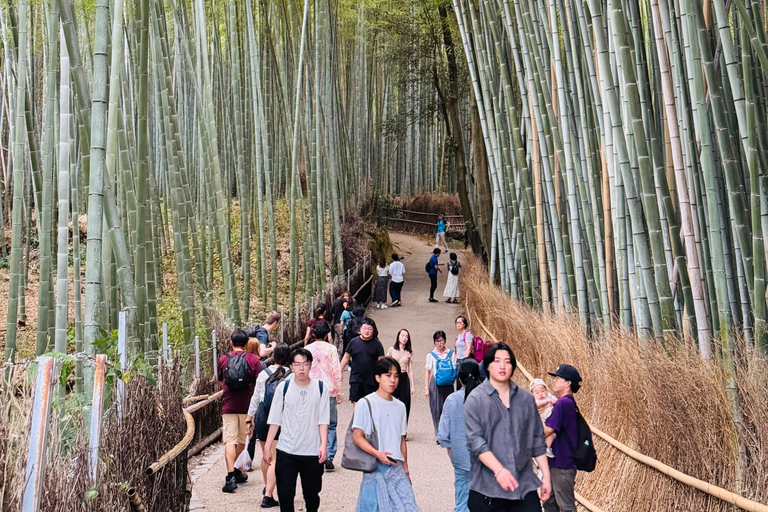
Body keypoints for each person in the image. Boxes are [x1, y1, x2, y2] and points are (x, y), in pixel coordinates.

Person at [464, 343, 552, 511]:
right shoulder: (475, 400)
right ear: (488, 365)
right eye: (497, 361)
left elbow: (536, 439)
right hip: (487, 489)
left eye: (507, 361)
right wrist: (499, 471)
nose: (502, 366)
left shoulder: (526, 398)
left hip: (524, 486)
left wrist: (546, 476)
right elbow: (476, 442)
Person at [264, 348, 330, 512]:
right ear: (291, 367)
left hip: (311, 451)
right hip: (287, 450)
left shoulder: (321, 388)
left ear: (311, 366)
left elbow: (323, 420)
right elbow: (274, 419)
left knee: (312, 495)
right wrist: (267, 446)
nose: (301, 368)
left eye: (305, 364)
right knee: (285, 496)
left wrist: (323, 444)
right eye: (297, 364)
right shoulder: (283, 388)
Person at [352, 357, 420, 511]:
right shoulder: (366, 403)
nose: (393, 380)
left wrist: (406, 470)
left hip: (396, 468)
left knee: (408, 507)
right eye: (388, 375)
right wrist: (377, 453)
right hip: (375, 468)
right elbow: (357, 436)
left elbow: (401, 439)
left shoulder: (400, 406)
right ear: (378, 378)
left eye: (396, 376)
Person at [247, 343, 292, 508]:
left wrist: (249, 418)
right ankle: (268, 495)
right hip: (280, 418)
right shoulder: (290, 375)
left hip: (262, 416)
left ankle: (268, 487)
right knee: (274, 457)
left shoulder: (263, 373)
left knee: (265, 456)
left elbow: (255, 398)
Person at [218, 329, 261, 493]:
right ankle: (236, 471)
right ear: (247, 344)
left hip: (228, 405)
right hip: (246, 406)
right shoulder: (252, 359)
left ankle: (231, 476)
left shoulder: (223, 358)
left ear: (231, 343)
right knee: (242, 441)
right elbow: (259, 383)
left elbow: (221, 381)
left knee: (230, 441)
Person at [438, 359, 483, 512]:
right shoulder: (487, 398)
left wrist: (451, 451)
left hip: (460, 457)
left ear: (459, 378)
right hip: (484, 459)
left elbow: (443, 434)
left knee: (462, 500)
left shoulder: (452, 400)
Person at [542, 365, 583, 512]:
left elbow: (548, 430)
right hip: (558, 463)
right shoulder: (566, 402)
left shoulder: (563, 403)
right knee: (549, 503)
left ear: (568, 383)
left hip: (562, 464)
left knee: (565, 506)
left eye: (558, 378)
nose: (554, 381)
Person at [306, 322, 344, 472]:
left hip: (311, 390)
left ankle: (315, 452)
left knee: (314, 423)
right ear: (328, 334)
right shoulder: (332, 349)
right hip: (329, 390)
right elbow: (336, 370)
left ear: (314, 334)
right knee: (331, 424)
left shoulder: (306, 349)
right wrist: (339, 391)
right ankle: (328, 454)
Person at [340, 318, 385, 403]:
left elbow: (381, 362)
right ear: (360, 329)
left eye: (369, 329)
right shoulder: (353, 342)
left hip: (371, 380)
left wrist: (382, 377)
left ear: (373, 330)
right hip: (356, 378)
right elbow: (346, 357)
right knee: (356, 403)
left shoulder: (377, 344)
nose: (367, 331)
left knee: (371, 404)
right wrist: (339, 371)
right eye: (364, 328)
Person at [425, 330, 457, 437]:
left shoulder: (451, 353)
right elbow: (428, 372)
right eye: (437, 341)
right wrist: (426, 388)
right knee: (436, 408)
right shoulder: (431, 355)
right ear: (434, 342)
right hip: (436, 383)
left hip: (448, 382)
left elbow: (454, 368)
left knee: (448, 407)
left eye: (441, 341)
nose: (440, 343)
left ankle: (447, 431)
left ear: (445, 341)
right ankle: (438, 432)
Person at [386, 329, 415, 422]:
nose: (404, 338)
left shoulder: (409, 352)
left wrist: (412, 386)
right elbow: (386, 366)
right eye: (402, 335)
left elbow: (410, 369)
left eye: (406, 336)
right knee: (391, 402)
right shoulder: (391, 350)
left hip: (403, 377)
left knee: (405, 404)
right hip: (393, 377)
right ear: (398, 336)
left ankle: (403, 430)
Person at [530, 378, 558, 457]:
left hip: (549, 422)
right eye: (537, 392)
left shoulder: (549, 397)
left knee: (553, 435)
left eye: (542, 391)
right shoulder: (534, 400)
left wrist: (554, 400)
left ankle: (547, 448)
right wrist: (546, 402)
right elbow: (536, 405)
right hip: (540, 423)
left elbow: (556, 400)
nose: (540, 394)